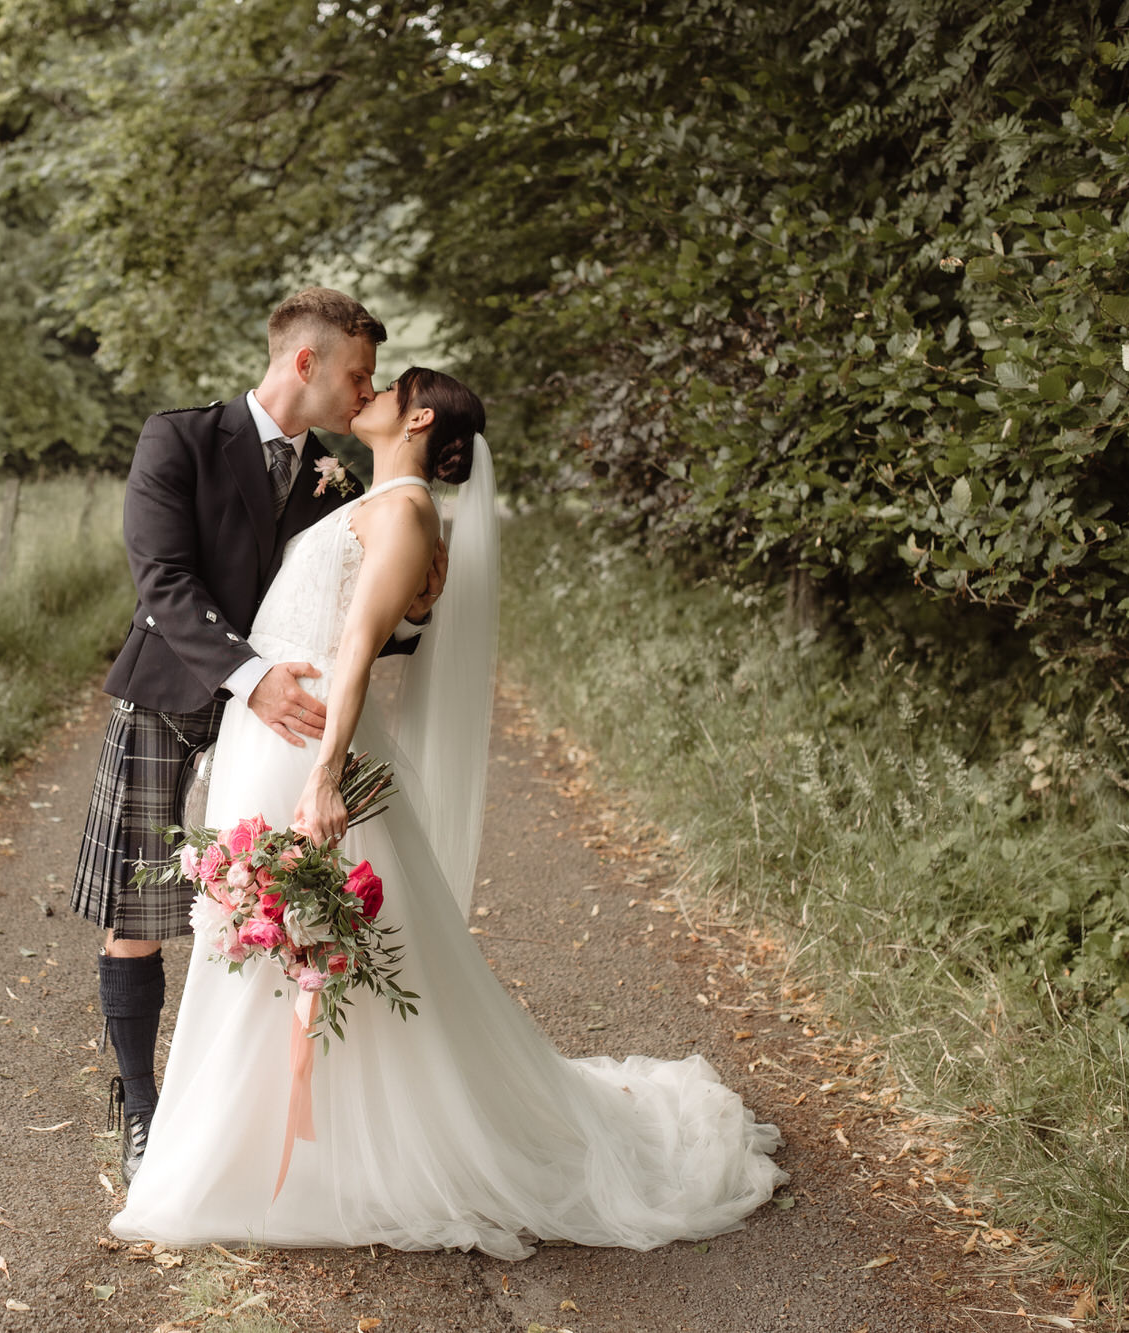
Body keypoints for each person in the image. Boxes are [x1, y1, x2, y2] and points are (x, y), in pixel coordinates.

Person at [108, 368, 788, 1258]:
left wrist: (323, 777)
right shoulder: (383, 497)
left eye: (385, 385)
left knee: (293, 935)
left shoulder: (404, 509)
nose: (369, 391)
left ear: (419, 415)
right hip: (269, 729)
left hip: (306, 741)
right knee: (261, 936)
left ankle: (270, 1156)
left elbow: (353, 654)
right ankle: (255, 1142)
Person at [69, 288, 444, 1183]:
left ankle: (262, 1107)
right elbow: (161, 579)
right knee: (141, 913)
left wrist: (416, 610)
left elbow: (350, 607)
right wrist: (251, 678)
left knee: (273, 903)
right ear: (305, 363)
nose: (365, 392)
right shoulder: (180, 437)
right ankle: (142, 1105)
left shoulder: (342, 478)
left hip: (279, 725)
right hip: (175, 692)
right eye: (357, 373)